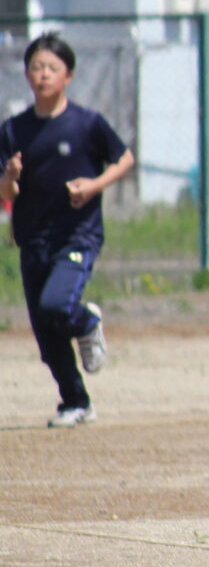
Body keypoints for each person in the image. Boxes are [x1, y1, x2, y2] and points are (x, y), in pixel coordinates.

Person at [0, 34, 135, 429]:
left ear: (68, 75)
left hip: (78, 234)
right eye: (36, 68)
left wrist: (93, 186)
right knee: (46, 334)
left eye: (51, 68)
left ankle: (87, 323)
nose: (43, 75)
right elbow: (5, 191)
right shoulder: (13, 130)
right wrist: (9, 178)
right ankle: (75, 402)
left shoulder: (86, 124)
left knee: (58, 306)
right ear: (26, 74)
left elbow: (124, 158)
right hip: (32, 238)